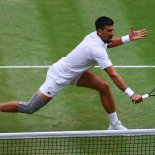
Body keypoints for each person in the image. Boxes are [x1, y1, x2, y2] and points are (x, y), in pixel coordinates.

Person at [0, 16, 147, 130]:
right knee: (29, 108)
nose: (112, 33)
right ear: (100, 31)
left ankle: (115, 124)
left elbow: (109, 43)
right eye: (109, 31)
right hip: (59, 77)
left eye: (112, 30)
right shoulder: (95, 48)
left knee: (103, 87)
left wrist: (128, 38)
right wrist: (131, 94)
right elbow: (113, 74)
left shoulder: (96, 37)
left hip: (76, 72)